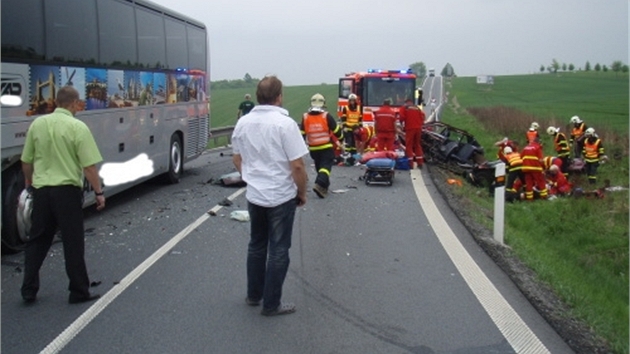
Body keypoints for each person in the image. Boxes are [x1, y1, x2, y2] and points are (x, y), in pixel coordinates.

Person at [231, 76, 308, 316]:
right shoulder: (285, 124)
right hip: (280, 196)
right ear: (279, 96)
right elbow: (297, 166)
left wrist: (252, 177)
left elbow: (236, 158)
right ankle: (272, 304)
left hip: (255, 195)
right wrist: (302, 192)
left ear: (257, 96)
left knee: (256, 245)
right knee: (278, 249)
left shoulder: (243, 123)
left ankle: (254, 295)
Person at [20, 86, 105, 304]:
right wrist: (99, 192)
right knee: (72, 242)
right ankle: (78, 291)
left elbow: (26, 161)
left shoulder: (37, 124)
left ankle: (28, 289)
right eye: (80, 103)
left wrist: (29, 182)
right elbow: (89, 167)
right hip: (66, 192)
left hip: (41, 191)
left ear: (57, 102)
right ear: (74, 103)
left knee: (37, 241)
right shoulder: (78, 127)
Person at [300, 93, 344, 198]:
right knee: (326, 166)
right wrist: (341, 139)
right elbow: (336, 130)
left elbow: (302, 133)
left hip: (313, 149)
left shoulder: (305, 117)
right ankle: (319, 183)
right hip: (326, 147)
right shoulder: (326, 116)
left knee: (319, 167)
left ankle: (324, 187)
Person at [399, 98, 425, 169]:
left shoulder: (404, 108)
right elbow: (423, 116)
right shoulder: (417, 108)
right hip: (418, 128)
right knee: (417, 144)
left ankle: (410, 163)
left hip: (410, 128)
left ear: (406, 102)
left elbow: (401, 117)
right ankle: (420, 162)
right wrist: (420, 123)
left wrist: (401, 124)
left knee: (409, 145)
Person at [339, 93, 362, 162]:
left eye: (353, 100)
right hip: (348, 128)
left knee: (354, 144)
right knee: (348, 142)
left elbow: (360, 119)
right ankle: (347, 156)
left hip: (356, 129)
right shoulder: (345, 108)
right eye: (351, 100)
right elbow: (343, 118)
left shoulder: (358, 108)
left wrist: (360, 127)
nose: (352, 102)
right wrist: (344, 127)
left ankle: (353, 156)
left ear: (355, 101)